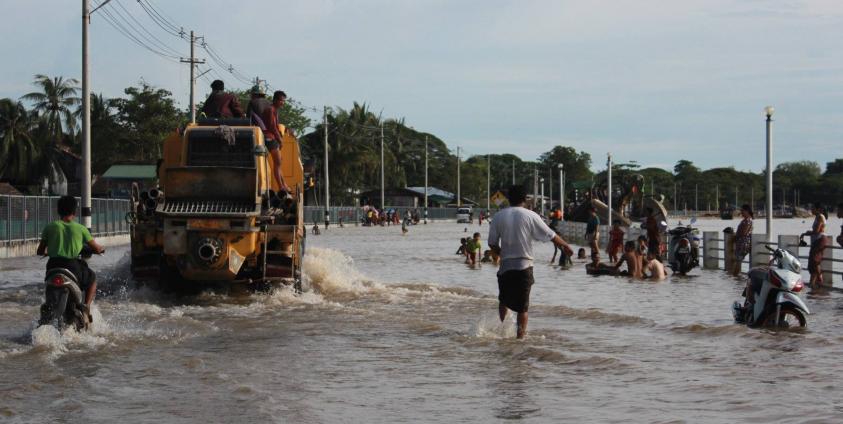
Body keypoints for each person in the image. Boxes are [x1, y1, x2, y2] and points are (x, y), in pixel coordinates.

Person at [488, 185, 573, 339]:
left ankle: (503, 330)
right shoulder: (530, 215)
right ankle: (520, 338)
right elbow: (550, 234)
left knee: (503, 301)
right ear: (524, 199)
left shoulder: (498, 216)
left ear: (509, 198)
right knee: (523, 307)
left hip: (505, 266)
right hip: (524, 266)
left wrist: (504, 254)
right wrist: (565, 246)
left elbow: (492, 243)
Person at [36, 196, 105, 319]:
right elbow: (96, 248)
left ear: (58, 210)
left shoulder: (50, 227)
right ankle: (86, 306)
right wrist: (101, 249)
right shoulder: (81, 228)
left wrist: (47, 252)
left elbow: (40, 251)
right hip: (72, 267)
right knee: (92, 278)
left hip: (53, 266)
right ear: (74, 211)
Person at [260, 90, 291, 193]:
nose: (283, 103)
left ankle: (284, 185)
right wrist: (280, 140)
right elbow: (273, 127)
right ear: (276, 100)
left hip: (271, 137)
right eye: (282, 101)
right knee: (277, 162)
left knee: (278, 162)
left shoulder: (273, 109)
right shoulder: (270, 109)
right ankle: (281, 187)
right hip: (270, 137)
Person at [801, 203, 827, 288]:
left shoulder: (820, 217)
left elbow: (817, 230)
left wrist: (807, 233)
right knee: (813, 262)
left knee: (814, 261)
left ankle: (817, 281)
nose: (811, 210)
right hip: (816, 241)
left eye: (813, 208)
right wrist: (808, 233)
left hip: (820, 240)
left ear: (818, 209)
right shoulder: (817, 217)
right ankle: (816, 282)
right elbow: (816, 231)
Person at [732, 204, 754, 275]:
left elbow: (744, 232)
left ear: (747, 211)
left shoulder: (748, 220)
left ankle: (735, 276)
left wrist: (737, 235)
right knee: (738, 260)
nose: (741, 212)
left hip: (744, 243)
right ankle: (737, 276)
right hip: (741, 242)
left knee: (739, 260)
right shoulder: (745, 220)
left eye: (742, 211)